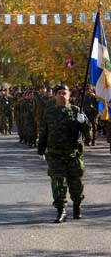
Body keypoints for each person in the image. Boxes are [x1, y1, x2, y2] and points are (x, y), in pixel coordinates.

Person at [37, 84, 90, 223]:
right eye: (59, 93)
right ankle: (61, 211)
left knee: (76, 184)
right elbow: (43, 132)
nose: (62, 95)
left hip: (74, 155)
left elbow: (88, 132)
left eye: (64, 93)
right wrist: (41, 150)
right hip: (55, 155)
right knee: (58, 184)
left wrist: (84, 122)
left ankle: (77, 206)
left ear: (69, 96)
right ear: (55, 95)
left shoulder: (77, 110)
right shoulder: (49, 112)